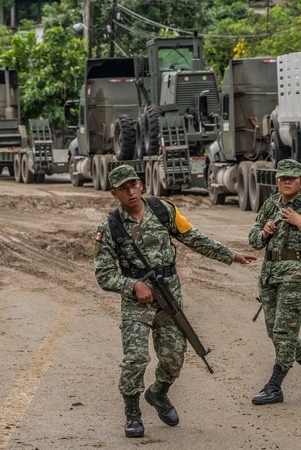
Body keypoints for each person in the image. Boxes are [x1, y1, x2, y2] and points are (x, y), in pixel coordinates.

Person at [94, 165, 257, 438]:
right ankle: (133, 413)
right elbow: (103, 274)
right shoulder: (110, 227)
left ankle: (158, 393)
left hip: (168, 297)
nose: (130, 191)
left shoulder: (163, 210)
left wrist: (230, 255)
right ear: (114, 193)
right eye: (123, 188)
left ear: (141, 184)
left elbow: (193, 237)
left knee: (174, 358)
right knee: (136, 358)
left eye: (133, 184)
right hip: (137, 301)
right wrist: (132, 285)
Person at [248, 159, 301, 405]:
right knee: (275, 331)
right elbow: (253, 239)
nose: (286, 182)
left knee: (284, 331)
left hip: (296, 277)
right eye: (282, 178)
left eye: (291, 178)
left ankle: (274, 386)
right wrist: (264, 233)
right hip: (270, 275)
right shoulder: (270, 204)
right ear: (277, 181)